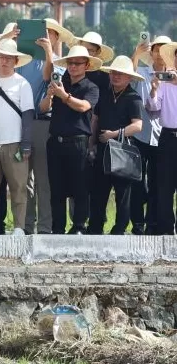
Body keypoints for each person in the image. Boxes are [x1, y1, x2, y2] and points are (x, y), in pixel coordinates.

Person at [39, 45, 101, 234]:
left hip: (78, 141)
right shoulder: (60, 81)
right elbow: (43, 108)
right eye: (70, 63)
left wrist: (64, 96)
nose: (73, 67)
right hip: (56, 141)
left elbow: (83, 107)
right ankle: (58, 226)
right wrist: (50, 95)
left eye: (77, 63)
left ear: (86, 65)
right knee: (56, 188)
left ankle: (79, 225)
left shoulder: (91, 87)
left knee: (80, 187)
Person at [0, 39, 34, 235]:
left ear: (16, 61)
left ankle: (19, 226)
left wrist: (26, 143)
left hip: (15, 143)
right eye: (2, 57)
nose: (5, 61)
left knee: (18, 187)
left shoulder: (23, 84)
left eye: (9, 58)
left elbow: (28, 115)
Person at [25, 19, 73, 233]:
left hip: (44, 124)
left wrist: (47, 52)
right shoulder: (22, 60)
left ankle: (45, 226)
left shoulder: (60, 63)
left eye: (49, 34)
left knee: (43, 180)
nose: (44, 37)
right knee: (24, 180)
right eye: (41, 33)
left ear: (56, 38)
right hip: (21, 123)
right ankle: (25, 225)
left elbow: (48, 76)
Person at [88, 56, 144, 235]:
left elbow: (138, 125)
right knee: (98, 192)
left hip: (122, 150)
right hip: (103, 148)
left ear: (129, 78)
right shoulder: (104, 94)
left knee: (123, 195)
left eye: (120, 74)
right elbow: (95, 120)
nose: (116, 76)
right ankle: (95, 228)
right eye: (113, 72)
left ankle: (119, 229)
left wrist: (115, 134)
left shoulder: (133, 97)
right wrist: (91, 143)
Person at [131, 36, 168, 234]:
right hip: (140, 133)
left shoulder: (174, 76)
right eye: (156, 49)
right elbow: (129, 74)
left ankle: (153, 223)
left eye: (164, 50)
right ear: (151, 53)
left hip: (164, 136)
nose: (160, 53)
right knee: (137, 181)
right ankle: (137, 223)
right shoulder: (144, 73)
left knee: (158, 183)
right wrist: (136, 53)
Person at [145, 40, 177, 234]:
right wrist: (155, 90)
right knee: (165, 185)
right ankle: (166, 228)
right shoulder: (165, 82)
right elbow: (153, 109)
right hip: (168, 137)